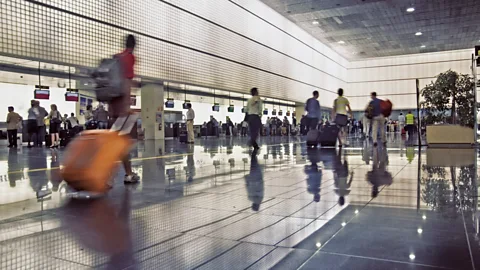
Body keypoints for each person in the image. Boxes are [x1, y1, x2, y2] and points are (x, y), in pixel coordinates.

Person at [108, 34, 139, 183]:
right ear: (134, 46)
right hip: (122, 107)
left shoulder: (116, 57)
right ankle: (121, 175)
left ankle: (127, 173)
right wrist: (127, 106)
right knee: (123, 141)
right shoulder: (129, 58)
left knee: (117, 140)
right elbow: (127, 82)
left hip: (113, 106)